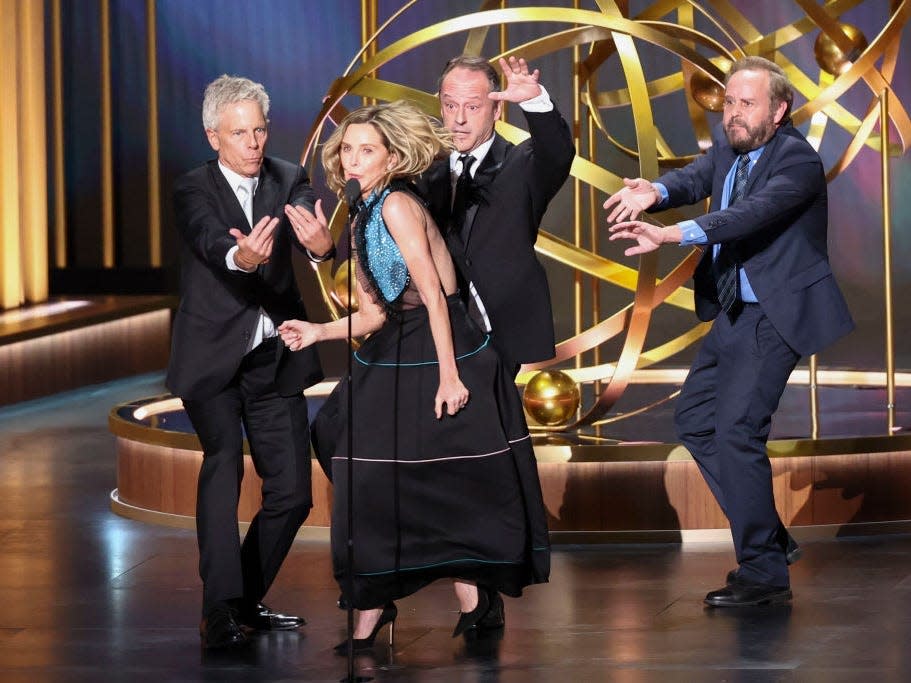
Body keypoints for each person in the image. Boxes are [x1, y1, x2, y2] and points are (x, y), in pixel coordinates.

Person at [278, 100, 550, 652]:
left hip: (443, 342)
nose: (353, 160)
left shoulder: (399, 204)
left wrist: (449, 377)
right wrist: (317, 332)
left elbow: (432, 295)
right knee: (355, 457)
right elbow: (376, 312)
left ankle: (475, 597)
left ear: (393, 157)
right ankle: (373, 607)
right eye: (348, 149)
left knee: (447, 474)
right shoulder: (359, 214)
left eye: (367, 150)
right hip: (394, 339)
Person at [604, 56, 854, 607]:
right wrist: (655, 193)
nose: (733, 115)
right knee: (695, 419)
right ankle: (763, 530)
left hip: (776, 314)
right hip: (734, 312)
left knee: (738, 433)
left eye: (747, 104)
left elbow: (750, 214)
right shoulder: (730, 150)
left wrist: (672, 237)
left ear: (779, 109)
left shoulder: (797, 160)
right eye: (729, 104)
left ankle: (763, 573)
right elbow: (693, 178)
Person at [166, 74, 335, 649]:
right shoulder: (193, 188)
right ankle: (219, 610)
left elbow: (315, 226)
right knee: (223, 464)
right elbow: (209, 238)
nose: (254, 143)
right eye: (240, 133)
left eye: (260, 130)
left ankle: (242, 599)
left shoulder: (288, 177)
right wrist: (240, 255)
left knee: (292, 492)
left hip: (272, 357)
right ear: (214, 136)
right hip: (212, 356)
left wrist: (319, 245)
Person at [415, 54, 574, 375]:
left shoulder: (522, 164)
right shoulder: (423, 170)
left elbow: (556, 152)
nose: (459, 119)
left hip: (498, 326)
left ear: (497, 110)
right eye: (450, 105)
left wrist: (535, 103)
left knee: (492, 420)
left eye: (472, 107)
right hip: (434, 324)